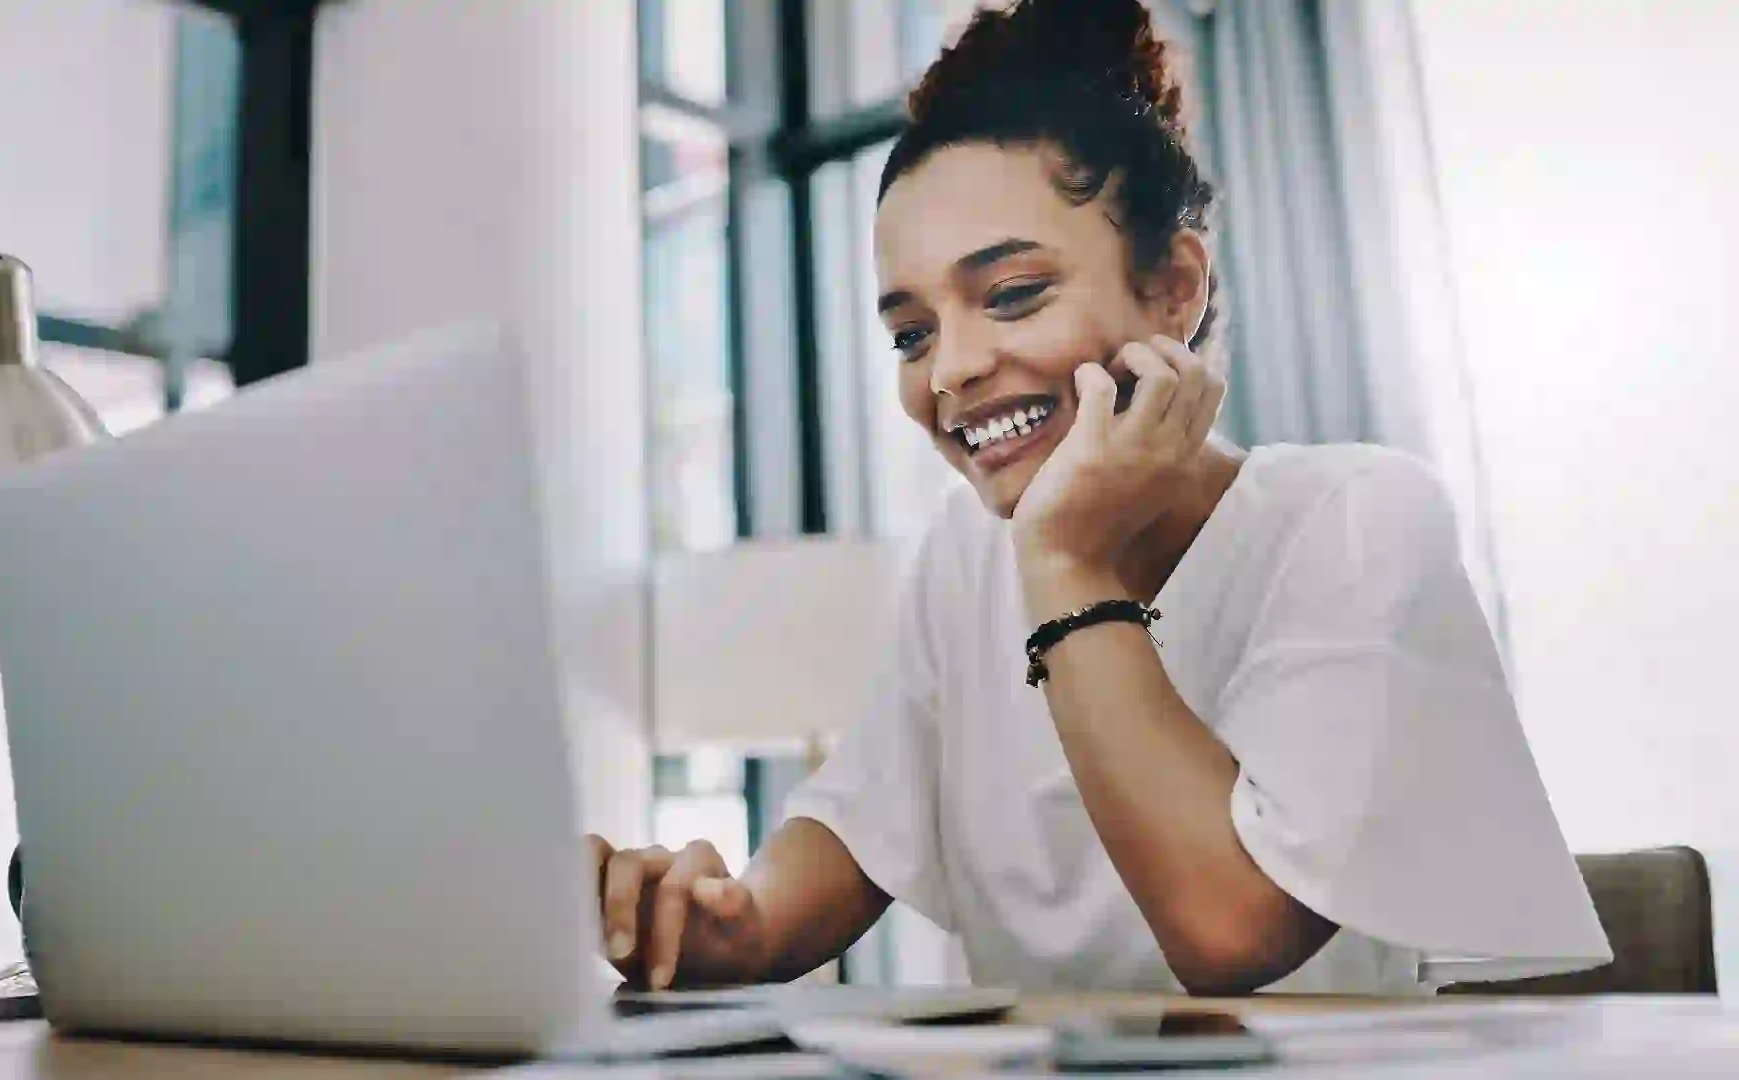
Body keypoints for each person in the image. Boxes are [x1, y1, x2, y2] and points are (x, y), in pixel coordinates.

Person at [587, 0, 1609, 997]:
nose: (950, 371)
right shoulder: (965, 552)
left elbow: (1232, 933)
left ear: (1173, 289)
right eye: (911, 333)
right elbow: (851, 830)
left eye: (1013, 295)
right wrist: (723, 923)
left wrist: (1069, 563)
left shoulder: (1356, 517)